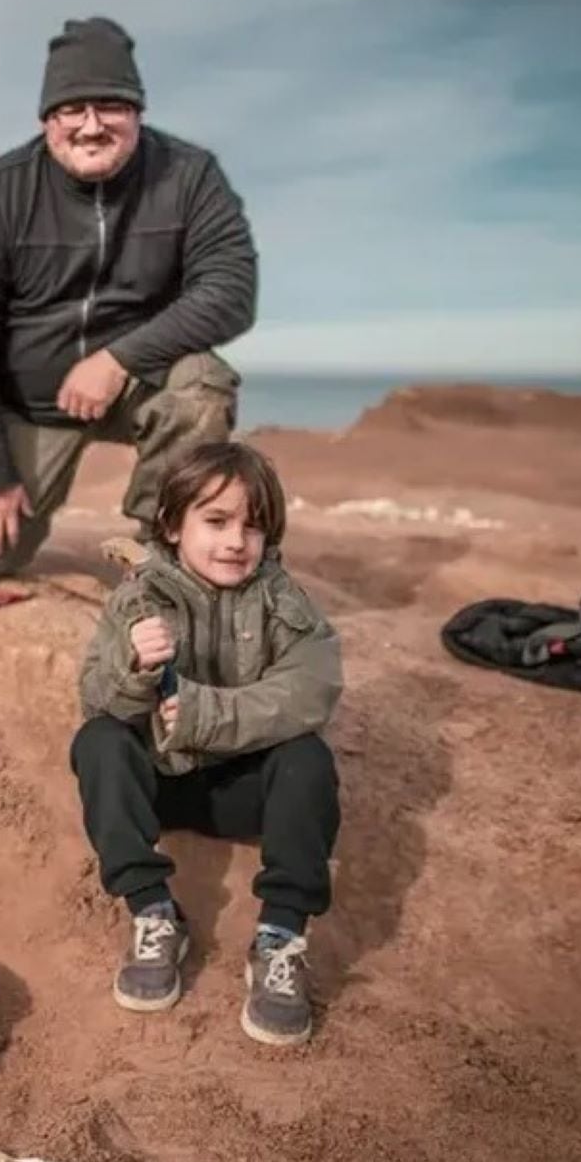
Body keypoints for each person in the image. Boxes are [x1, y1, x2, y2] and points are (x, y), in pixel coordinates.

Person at [0, 17, 258, 582]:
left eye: (110, 105)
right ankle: (0, 501)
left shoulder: (189, 175)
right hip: (33, 401)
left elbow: (230, 292)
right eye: (71, 109)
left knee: (202, 385)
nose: (90, 126)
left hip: (138, 382)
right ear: (47, 120)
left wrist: (117, 360)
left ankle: (162, 559)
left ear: (137, 110)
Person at [70, 442, 343, 1046]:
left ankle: (280, 935)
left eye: (253, 526)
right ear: (172, 525)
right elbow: (97, 698)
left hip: (243, 790)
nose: (235, 542)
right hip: (160, 784)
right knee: (99, 742)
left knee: (308, 759)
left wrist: (208, 712)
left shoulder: (284, 601)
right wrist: (135, 665)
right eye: (216, 521)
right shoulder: (140, 599)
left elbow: (312, 690)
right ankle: (152, 910)